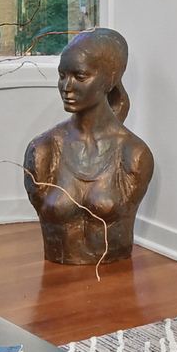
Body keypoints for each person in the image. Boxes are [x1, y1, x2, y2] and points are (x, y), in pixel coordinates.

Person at [22, 28, 154, 265]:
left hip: (116, 274)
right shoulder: (43, 150)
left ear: (108, 80)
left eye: (80, 76)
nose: (66, 86)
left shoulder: (133, 154)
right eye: (62, 75)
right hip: (56, 271)